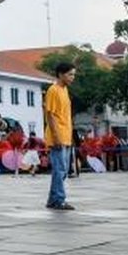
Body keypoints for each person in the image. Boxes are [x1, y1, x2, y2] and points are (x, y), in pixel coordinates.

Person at [44, 62, 77, 210]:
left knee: (63, 170)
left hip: (66, 135)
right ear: (61, 74)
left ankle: (53, 199)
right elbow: (50, 115)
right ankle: (58, 199)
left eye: (73, 74)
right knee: (60, 170)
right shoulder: (53, 90)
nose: (72, 77)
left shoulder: (64, 90)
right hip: (57, 136)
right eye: (70, 74)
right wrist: (56, 136)